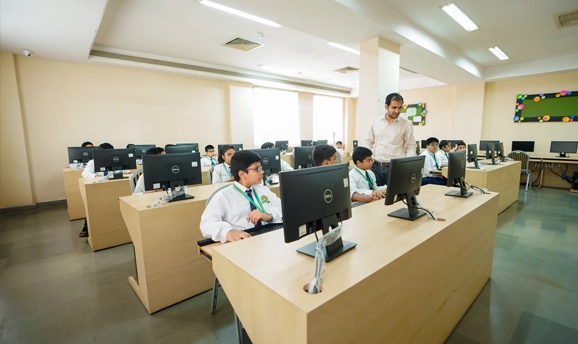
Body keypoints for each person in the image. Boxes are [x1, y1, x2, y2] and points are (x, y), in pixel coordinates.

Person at [200, 150, 283, 243]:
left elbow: (282, 209)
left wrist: (268, 216)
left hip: (268, 237)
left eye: (261, 168)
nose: (262, 172)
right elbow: (206, 224)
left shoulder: (263, 190)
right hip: (243, 241)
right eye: (258, 169)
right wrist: (228, 232)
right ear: (242, 174)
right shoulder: (223, 196)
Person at [365, 92, 417, 186]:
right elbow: (369, 141)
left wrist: (407, 164)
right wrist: (368, 160)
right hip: (376, 166)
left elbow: (411, 146)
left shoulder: (406, 124)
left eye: (399, 107)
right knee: (375, 197)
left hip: (396, 167)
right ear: (386, 106)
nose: (397, 111)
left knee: (395, 197)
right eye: (394, 107)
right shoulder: (375, 122)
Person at [79, 142, 114, 237]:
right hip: (98, 188)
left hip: (112, 187)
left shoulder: (114, 160)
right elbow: (85, 174)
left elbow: (122, 170)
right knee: (94, 207)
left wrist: (126, 171)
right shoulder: (92, 162)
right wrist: (96, 175)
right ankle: (87, 228)